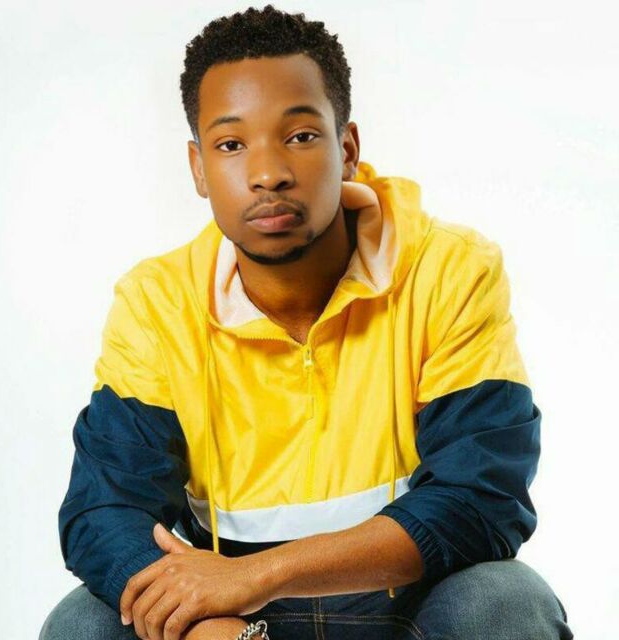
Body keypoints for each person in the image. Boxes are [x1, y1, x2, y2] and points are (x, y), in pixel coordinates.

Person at [39, 5, 573, 640]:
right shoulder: (157, 303)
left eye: (300, 136)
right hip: (233, 616)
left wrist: (259, 574)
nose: (268, 173)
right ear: (199, 168)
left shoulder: (448, 270)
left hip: (406, 603)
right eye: (231, 145)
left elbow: (481, 498)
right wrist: (214, 626)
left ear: (347, 149)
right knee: (84, 623)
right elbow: (105, 512)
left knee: (505, 601)